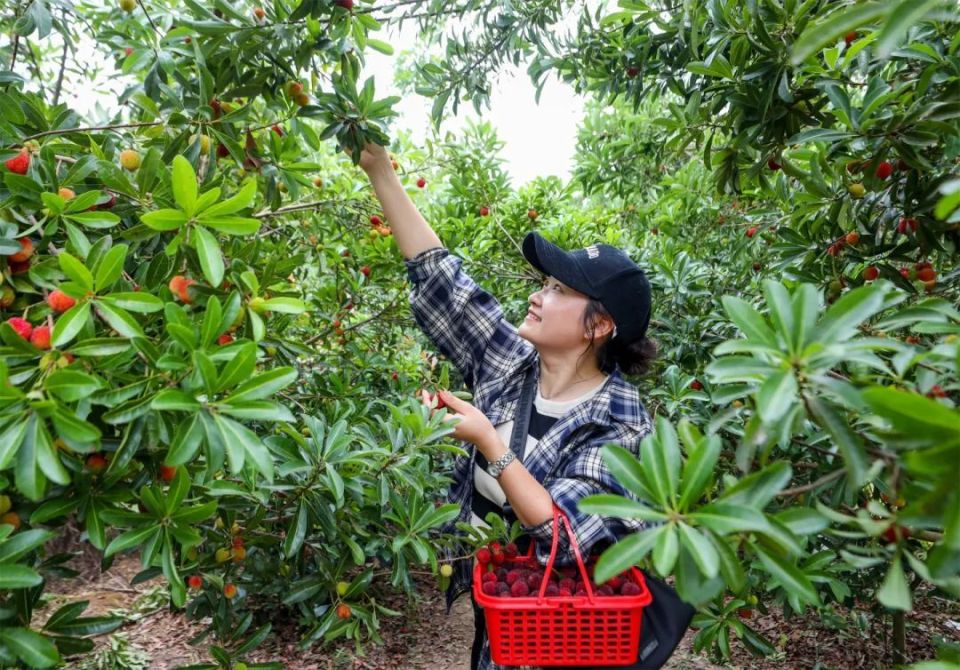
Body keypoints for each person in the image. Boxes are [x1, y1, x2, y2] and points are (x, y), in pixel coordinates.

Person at [354, 142, 657, 670]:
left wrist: (487, 441)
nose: (538, 296)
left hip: (569, 632)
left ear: (601, 325)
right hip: (499, 609)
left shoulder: (622, 419)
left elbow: (565, 533)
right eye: (544, 283)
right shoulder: (509, 362)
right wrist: (379, 169)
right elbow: (442, 281)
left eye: (559, 289)